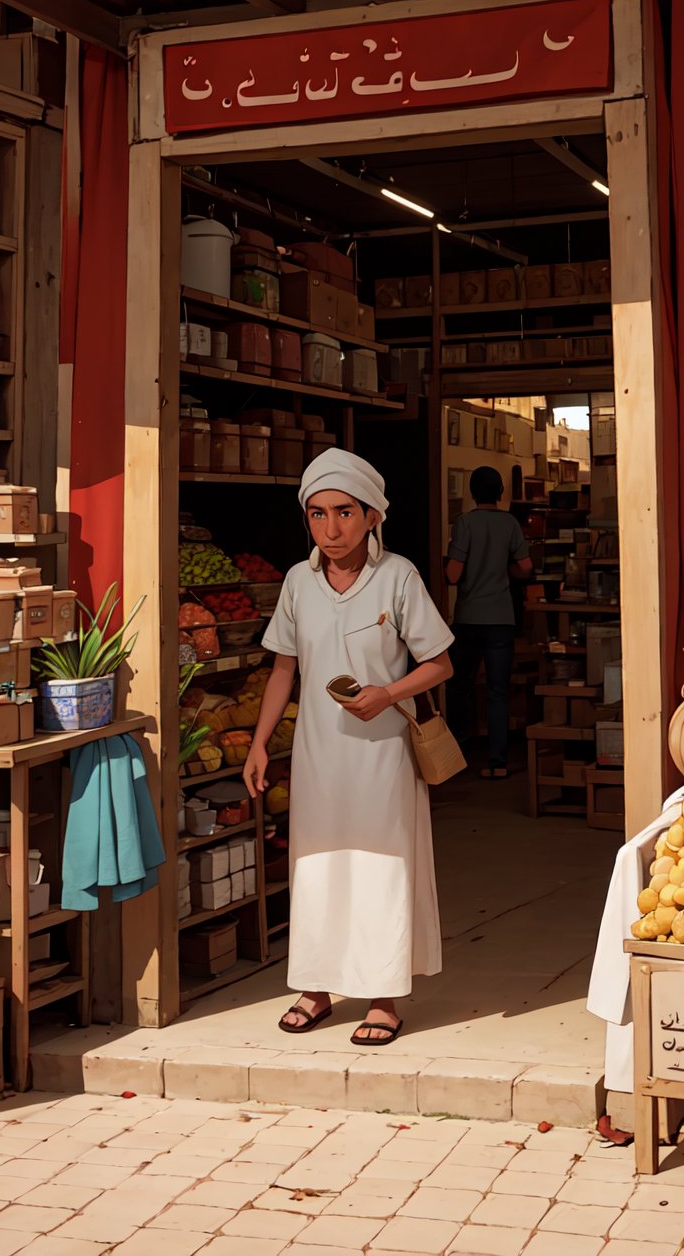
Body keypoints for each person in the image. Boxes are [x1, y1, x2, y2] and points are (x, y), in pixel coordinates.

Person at [243, 447, 454, 1045]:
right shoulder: (297, 582)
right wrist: (260, 745)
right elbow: (284, 670)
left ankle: (384, 996)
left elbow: (438, 663)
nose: (330, 529)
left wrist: (388, 693)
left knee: (382, 869)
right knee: (316, 866)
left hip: (383, 754)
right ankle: (315, 988)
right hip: (316, 754)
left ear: (371, 517)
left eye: (343, 513)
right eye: (317, 514)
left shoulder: (399, 577)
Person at [444, 466, 533, 779]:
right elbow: (525, 567)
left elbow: (452, 575)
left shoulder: (465, 523)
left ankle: (456, 755)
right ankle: (498, 763)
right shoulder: (509, 523)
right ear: (500, 493)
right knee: (498, 690)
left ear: (471, 492)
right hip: (501, 619)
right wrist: (504, 570)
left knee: (458, 687)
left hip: (469, 618)